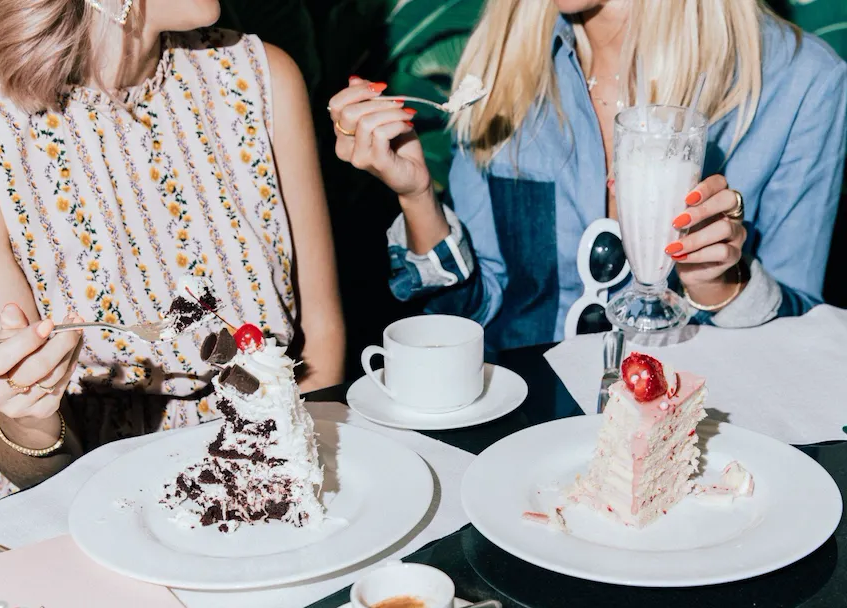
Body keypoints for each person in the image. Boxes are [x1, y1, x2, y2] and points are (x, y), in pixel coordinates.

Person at [0, 0, 344, 505]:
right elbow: (31, 473)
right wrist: (25, 416)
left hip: (280, 465)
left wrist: (288, 473)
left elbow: (322, 337)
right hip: (94, 497)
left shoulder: (262, 74)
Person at [328, 0, 847, 350]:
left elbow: (801, 339)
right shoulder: (504, 72)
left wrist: (720, 283)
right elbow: (474, 316)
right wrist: (417, 196)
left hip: (695, 441)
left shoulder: (800, 82)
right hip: (526, 440)